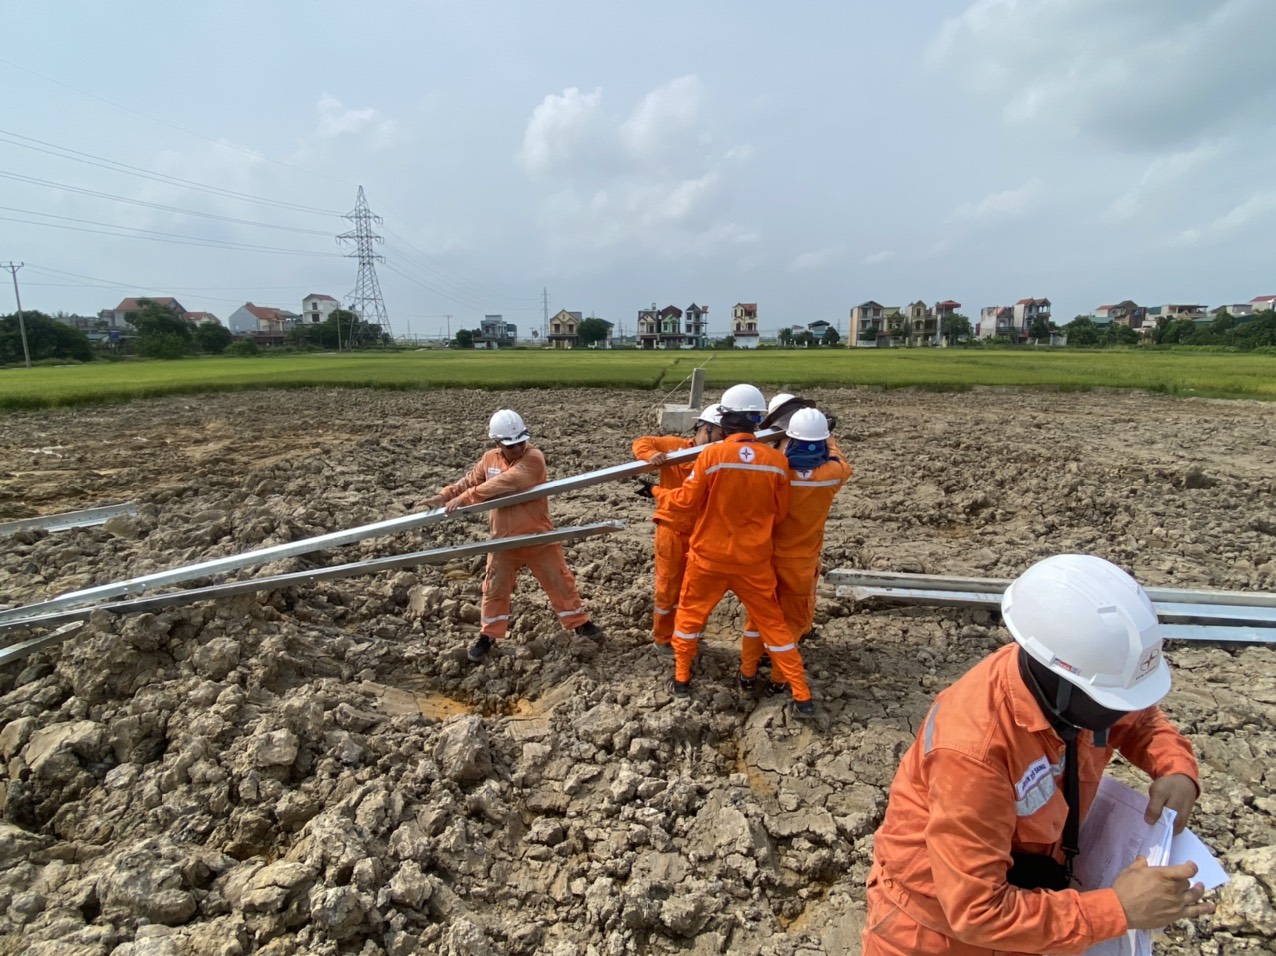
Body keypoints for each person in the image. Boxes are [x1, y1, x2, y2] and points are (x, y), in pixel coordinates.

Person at [862, 554, 1213, 956]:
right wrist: (1118, 909)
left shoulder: (1072, 692)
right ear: (1059, 680)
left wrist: (1174, 766)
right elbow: (977, 912)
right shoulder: (973, 753)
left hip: (1035, 899)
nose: (1124, 713)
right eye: (1111, 702)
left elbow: (1138, 717)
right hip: (938, 937)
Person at [655, 409, 817, 719]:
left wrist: (657, 492)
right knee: (774, 626)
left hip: (708, 559)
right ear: (755, 422)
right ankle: (802, 695)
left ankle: (681, 680)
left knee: (689, 617)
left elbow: (687, 501)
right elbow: (780, 512)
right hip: (753, 562)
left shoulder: (712, 455)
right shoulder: (776, 462)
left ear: (725, 423)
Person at [421, 409, 602, 663]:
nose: (518, 448)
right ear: (497, 443)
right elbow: (469, 480)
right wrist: (446, 495)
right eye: (512, 445)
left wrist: (465, 499)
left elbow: (506, 482)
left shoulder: (533, 458)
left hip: (537, 535)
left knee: (560, 581)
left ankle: (580, 623)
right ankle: (488, 635)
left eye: (521, 442)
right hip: (503, 539)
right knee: (494, 588)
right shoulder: (489, 459)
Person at [741, 408, 851, 683]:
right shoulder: (833, 474)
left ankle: (748, 671)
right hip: (801, 563)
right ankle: (779, 679)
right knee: (792, 621)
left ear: (789, 439)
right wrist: (829, 438)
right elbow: (839, 459)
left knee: (758, 618)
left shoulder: (775, 471)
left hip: (767, 558)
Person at [631, 405, 726, 651]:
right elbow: (641, 442)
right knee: (668, 588)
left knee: (696, 590)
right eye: (720, 434)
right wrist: (651, 455)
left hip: (703, 532)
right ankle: (663, 638)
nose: (723, 439)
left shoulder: (721, 456)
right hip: (672, 530)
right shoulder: (676, 446)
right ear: (706, 428)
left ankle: (690, 635)